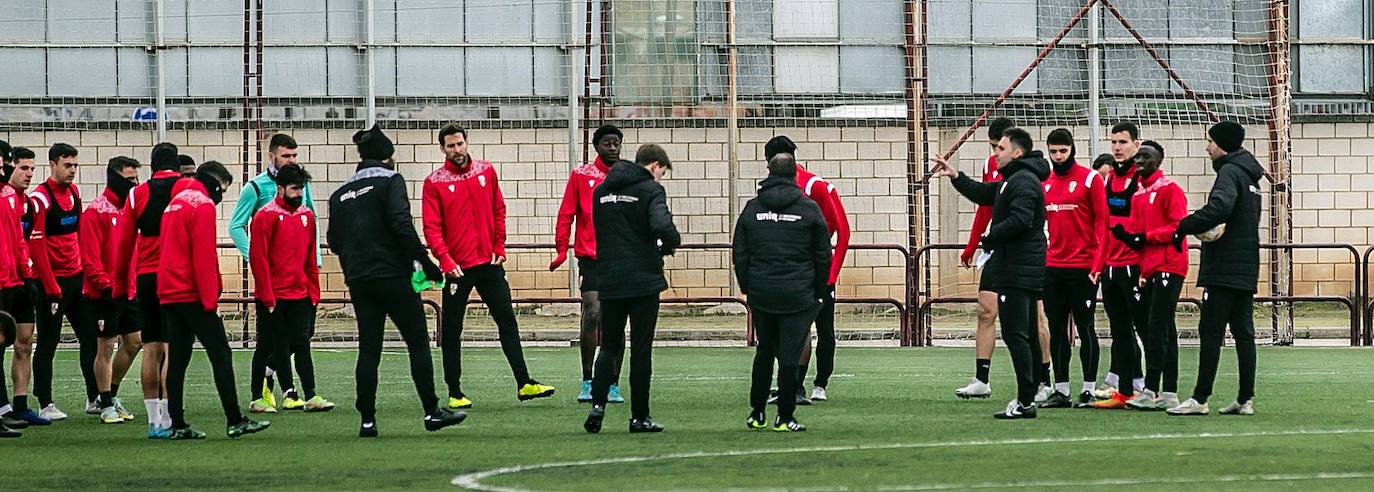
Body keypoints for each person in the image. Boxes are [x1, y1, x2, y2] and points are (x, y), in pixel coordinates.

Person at [328, 124, 466, 437]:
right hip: (393, 275)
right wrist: (427, 264)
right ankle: (432, 411)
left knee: (369, 348)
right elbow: (402, 226)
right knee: (417, 340)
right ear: (388, 157)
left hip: (359, 279)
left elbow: (334, 241)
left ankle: (367, 420)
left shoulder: (340, 194)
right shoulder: (391, 181)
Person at [423, 124, 555, 409]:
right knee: (452, 328)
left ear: (466, 143)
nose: (456, 150)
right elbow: (432, 227)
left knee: (506, 319)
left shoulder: (486, 171)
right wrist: (445, 259)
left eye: (459, 144)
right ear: (442, 148)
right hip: (457, 268)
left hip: (489, 262)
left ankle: (524, 383)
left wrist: (499, 245)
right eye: (450, 146)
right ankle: (455, 391)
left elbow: (499, 208)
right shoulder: (434, 182)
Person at [933, 127, 1050, 419]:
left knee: (1016, 334)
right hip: (1020, 266)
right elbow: (986, 193)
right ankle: (1030, 394)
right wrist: (956, 176)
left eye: (1000, 148)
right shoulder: (1012, 180)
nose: (995, 153)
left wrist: (990, 237)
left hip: (1018, 268)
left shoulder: (1023, 180)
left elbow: (1021, 220)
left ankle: (1026, 399)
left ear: (1017, 153)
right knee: (1023, 333)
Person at [159, 160, 269, 440]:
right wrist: (210, 299)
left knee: (178, 358)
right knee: (220, 353)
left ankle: (177, 423)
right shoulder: (202, 204)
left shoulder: (174, 203)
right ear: (214, 184)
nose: (221, 195)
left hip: (170, 291)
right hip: (192, 292)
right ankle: (234, 419)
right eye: (222, 189)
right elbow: (203, 256)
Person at [583, 144, 680, 434]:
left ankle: (597, 406)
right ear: (654, 166)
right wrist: (670, 243)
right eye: (662, 172)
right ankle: (639, 416)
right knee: (641, 348)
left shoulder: (600, 192)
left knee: (609, 345)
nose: (661, 177)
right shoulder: (651, 191)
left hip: (609, 277)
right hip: (643, 280)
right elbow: (662, 225)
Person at [1168, 121, 1262, 416]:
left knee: (1210, 331)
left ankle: (1199, 398)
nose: (1207, 148)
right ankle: (1245, 399)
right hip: (1246, 266)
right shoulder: (1252, 178)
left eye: (1209, 142)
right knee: (1244, 333)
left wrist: (1183, 226)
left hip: (1224, 268)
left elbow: (1220, 208)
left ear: (1221, 144)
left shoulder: (1229, 173)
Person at [734, 153, 830, 432]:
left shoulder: (752, 208)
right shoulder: (809, 208)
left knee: (764, 350)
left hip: (762, 292)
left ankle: (757, 412)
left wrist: (747, 287)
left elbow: (740, 251)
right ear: (795, 176)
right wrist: (819, 291)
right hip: (798, 293)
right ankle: (785, 416)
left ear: (769, 173)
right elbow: (822, 254)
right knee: (790, 354)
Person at [230, 133, 316, 413]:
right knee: (271, 341)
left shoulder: (303, 203)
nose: (291, 159)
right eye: (286, 155)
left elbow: (309, 230)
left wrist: (312, 276)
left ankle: (284, 382)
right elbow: (236, 226)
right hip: (272, 284)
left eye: (294, 155)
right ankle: (272, 391)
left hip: (299, 283)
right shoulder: (256, 189)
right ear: (272, 156)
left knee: (302, 338)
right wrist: (256, 263)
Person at [763, 136, 850, 404]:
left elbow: (842, 230)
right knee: (793, 327)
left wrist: (831, 273)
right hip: (792, 270)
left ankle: (820, 383)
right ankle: (793, 384)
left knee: (824, 329)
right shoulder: (771, 190)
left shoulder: (815, 186)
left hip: (819, 269)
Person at [114, 142, 186, 437]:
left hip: (145, 276)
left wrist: (121, 283)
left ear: (153, 166)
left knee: (151, 347)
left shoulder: (136, 193)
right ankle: (170, 419)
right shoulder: (185, 189)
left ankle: (153, 421)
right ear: (177, 166)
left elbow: (123, 244)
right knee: (171, 348)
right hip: (174, 275)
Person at [1108, 141, 1186, 411]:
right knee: (1158, 328)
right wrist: (1130, 239)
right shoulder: (1139, 194)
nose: (1140, 160)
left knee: (1160, 327)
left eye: (1146, 156)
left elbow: (1177, 227)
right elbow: (1140, 238)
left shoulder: (1170, 189)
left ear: (1159, 160)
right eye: (1138, 156)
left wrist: (1143, 237)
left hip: (1170, 265)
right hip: (1151, 268)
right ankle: (1160, 390)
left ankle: (1161, 390)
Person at [249, 164, 332, 413]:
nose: (299, 194)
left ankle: (310, 394)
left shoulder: (307, 216)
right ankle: (259, 397)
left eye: (301, 189)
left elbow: (309, 257)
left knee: (302, 343)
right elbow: (258, 258)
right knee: (268, 345)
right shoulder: (265, 216)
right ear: (280, 188)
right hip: (273, 294)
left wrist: (313, 292)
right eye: (294, 189)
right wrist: (266, 294)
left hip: (301, 293)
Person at [552, 124, 624, 404]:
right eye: (607, 143)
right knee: (593, 312)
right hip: (592, 258)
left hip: (621, 258)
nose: (613, 148)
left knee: (616, 321)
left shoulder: (626, 175)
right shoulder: (581, 176)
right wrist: (561, 249)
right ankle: (587, 379)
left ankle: (613, 384)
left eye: (616, 143)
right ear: (597, 146)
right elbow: (566, 213)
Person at [1038, 129, 1107, 409]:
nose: (1058, 157)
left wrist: (1098, 264)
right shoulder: (1045, 182)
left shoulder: (1090, 179)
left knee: (1086, 326)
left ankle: (1089, 389)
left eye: (1063, 151)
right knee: (1057, 329)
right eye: (1053, 151)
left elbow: (1102, 223)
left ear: (1072, 150)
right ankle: (1062, 390)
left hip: (1084, 268)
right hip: (1053, 268)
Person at [29, 143, 98, 420]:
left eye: (75, 165)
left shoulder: (74, 192)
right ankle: (44, 403)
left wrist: (83, 272)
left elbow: (80, 232)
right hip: (51, 283)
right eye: (67, 165)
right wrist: (50, 285)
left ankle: (94, 397)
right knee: (48, 341)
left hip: (75, 279)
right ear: (53, 165)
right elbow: (37, 245)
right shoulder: (40, 199)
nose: (72, 170)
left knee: (90, 337)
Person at [1092, 122, 1151, 409]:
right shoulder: (1109, 179)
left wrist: (1146, 266)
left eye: (1123, 142)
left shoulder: (1142, 180)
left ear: (1136, 144)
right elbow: (1103, 226)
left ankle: (1155, 389)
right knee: (1120, 331)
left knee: (1147, 329)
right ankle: (1125, 391)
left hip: (1135, 266)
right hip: (1111, 267)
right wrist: (1099, 262)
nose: (1117, 147)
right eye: (1114, 142)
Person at [82, 156, 143, 424]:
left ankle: (112, 394)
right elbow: (90, 258)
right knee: (105, 345)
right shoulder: (95, 211)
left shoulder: (131, 210)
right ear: (115, 178)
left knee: (134, 342)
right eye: (130, 179)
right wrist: (106, 285)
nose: (135, 184)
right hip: (103, 293)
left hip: (128, 290)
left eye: (137, 178)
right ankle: (103, 403)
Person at [3, 146, 45, 426]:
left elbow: (19, 240)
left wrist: (27, 274)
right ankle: (4, 409)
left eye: (32, 169)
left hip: (18, 279)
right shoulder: (5, 196)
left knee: (25, 342)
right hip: (4, 280)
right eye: (23, 168)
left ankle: (19, 404)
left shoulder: (22, 202)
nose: (29, 174)